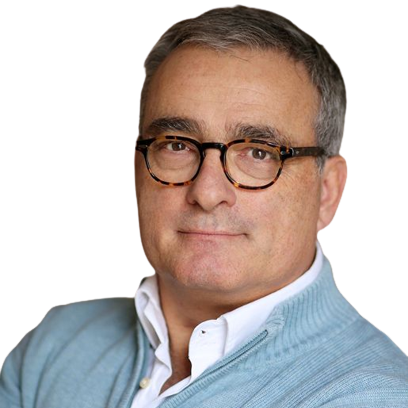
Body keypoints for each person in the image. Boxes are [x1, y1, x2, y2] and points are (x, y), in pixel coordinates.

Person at [2, 5, 407, 408]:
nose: (208, 192)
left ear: (327, 191)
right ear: (137, 170)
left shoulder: (372, 395)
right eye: (177, 145)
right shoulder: (53, 346)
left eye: (259, 152)